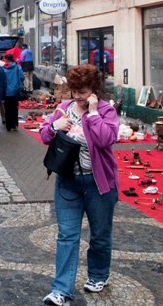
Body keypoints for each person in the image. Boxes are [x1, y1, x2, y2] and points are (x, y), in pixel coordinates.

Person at [39, 64, 119, 305]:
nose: (77, 96)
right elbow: (44, 135)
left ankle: (98, 275)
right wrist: (55, 126)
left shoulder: (106, 111)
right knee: (67, 235)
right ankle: (61, 290)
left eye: (82, 92)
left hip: (99, 183)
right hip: (68, 183)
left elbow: (107, 139)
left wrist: (93, 113)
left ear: (94, 90)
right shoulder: (63, 109)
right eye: (74, 91)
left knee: (100, 235)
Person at [2, 51, 23, 131]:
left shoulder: (3, 68)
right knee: (14, 108)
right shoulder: (18, 67)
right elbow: (21, 77)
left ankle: (9, 126)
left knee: (7, 109)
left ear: (6, 59)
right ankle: (15, 125)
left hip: (6, 91)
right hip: (15, 90)